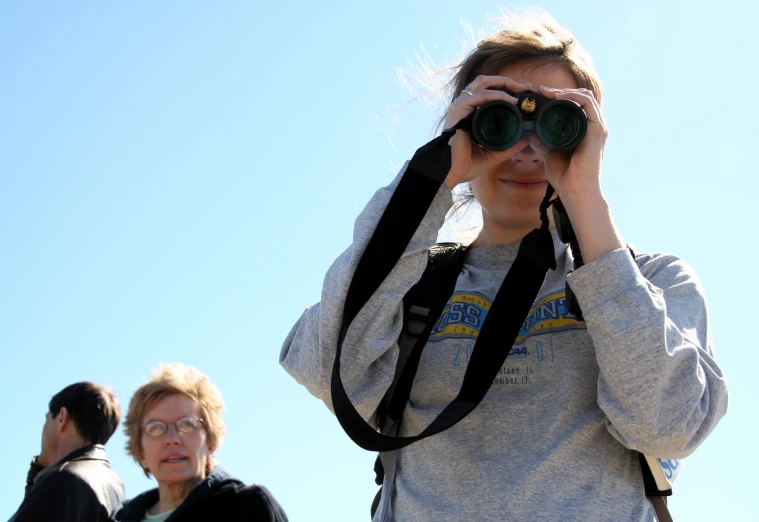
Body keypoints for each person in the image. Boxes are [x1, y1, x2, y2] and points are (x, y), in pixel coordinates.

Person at [279, 8, 729, 521]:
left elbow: (667, 424)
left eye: (558, 123)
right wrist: (428, 181)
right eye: (499, 120)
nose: (527, 151)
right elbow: (324, 367)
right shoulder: (409, 281)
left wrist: (587, 206)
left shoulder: (651, 283)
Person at [115, 363, 288, 522]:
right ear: (140, 450)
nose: (172, 439)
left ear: (210, 441)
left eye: (187, 424)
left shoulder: (248, 508)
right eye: (156, 428)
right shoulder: (118, 518)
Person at [8, 382, 125, 522]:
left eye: (47, 419)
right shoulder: (115, 486)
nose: (44, 429)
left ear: (61, 418)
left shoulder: (62, 479)